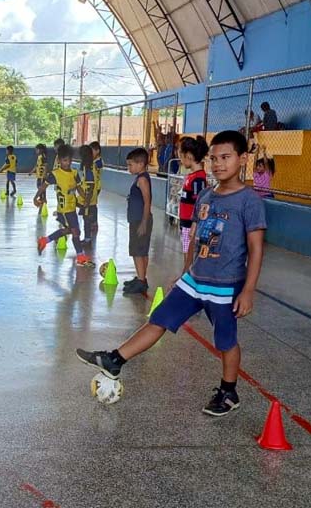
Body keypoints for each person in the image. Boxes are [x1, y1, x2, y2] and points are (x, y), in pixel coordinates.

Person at [77, 130, 267, 417]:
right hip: (194, 280)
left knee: (226, 341)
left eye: (226, 158)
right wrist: (186, 269)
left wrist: (248, 290)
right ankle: (115, 359)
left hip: (225, 286)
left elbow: (256, 248)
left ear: (242, 159)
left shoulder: (248, 201)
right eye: (214, 159)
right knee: (159, 319)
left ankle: (229, 391)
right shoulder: (206, 195)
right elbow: (196, 236)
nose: (218, 164)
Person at [35, 144, 92, 266]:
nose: (68, 163)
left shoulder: (74, 173)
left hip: (72, 208)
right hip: (64, 210)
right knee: (76, 232)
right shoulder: (55, 174)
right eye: (65, 160)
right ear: (59, 160)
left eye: (70, 160)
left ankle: (44, 240)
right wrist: (36, 197)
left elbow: (78, 188)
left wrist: (85, 199)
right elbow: (43, 186)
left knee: (69, 231)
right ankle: (80, 256)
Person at [122, 148, 153, 295]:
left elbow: (147, 202)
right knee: (139, 250)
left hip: (140, 221)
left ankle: (141, 281)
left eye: (131, 165)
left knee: (138, 252)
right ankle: (141, 277)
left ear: (140, 164)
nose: (129, 168)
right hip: (136, 219)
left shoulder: (142, 179)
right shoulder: (139, 178)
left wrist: (143, 222)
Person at [177, 136, 209, 254]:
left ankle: (187, 272)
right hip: (185, 222)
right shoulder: (192, 176)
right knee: (186, 252)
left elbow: (200, 203)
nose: (180, 159)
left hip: (191, 225)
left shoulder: (198, 178)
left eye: (181, 156)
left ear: (189, 155)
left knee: (189, 254)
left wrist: (195, 226)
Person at [77, 144, 99, 246]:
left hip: (88, 199)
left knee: (86, 220)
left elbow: (90, 185)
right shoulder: (89, 166)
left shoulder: (89, 167)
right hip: (87, 198)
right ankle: (87, 238)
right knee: (86, 219)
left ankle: (87, 239)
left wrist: (87, 200)